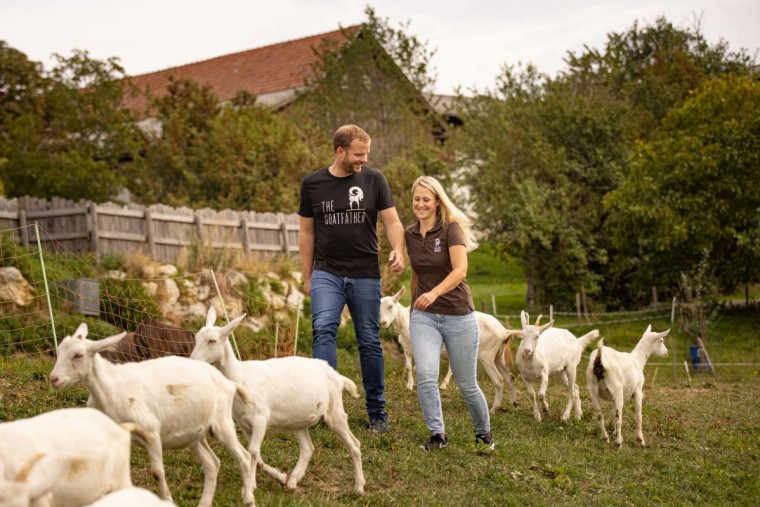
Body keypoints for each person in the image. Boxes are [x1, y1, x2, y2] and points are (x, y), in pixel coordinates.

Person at [298, 124, 405, 433]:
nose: (364, 159)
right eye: (359, 154)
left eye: (367, 153)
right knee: (323, 330)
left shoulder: (374, 180)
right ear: (340, 151)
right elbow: (306, 232)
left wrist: (398, 248)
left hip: (365, 273)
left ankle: (377, 411)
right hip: (326, 272)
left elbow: (392, 221)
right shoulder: (313, 184)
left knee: (369, 340)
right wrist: (308, 276)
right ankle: (325, 406)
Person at [404, 175, 494, 452]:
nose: (420, 204)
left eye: (426, 199)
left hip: (458, 314)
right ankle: (437, 435)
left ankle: (483, 434)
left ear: (437, 202)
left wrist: (434, 293)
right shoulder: (409, 234)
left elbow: (460, 271)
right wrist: (413, 304)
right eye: (416, 199)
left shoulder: (451, 230)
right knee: (426, 376)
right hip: (424, 316)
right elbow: (417, 272)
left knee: (467, 384)